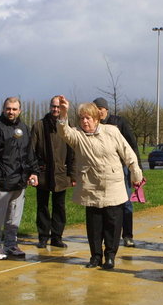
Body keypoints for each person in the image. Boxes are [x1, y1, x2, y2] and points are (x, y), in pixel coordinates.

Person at [56, 96, 143, 270]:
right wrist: (64, 113)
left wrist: (135, 172)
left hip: (113, 185)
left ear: (96, 119)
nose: (84, 121)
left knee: (112, 224)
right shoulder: (78, 136)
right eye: (81, 118)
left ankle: (110, 256)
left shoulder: (111, 131)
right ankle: (95, 256)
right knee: (94, 226)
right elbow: (64, 131)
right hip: (90, 187)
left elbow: (127, 152)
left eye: (88, 118)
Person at [0, 97, 39, 260]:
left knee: (14, 217)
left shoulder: (23, 128)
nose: (11, 112)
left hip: (19, 181)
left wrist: (33, 172)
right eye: (8, 109)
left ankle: (11, 244)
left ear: (20, 110)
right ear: (3, 109)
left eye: (14, 109)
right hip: (2, 181)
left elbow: (29, 153)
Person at [93, 97, 142, 248]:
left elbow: (132, 145)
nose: (99, 111)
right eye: (96, 109)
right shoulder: (92, 126)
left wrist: (137, 169)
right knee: (102, 205)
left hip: (122, 169)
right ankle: (105, 236)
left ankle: (127, 235)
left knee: (125, 203)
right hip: (100, 171)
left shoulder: (119, 122)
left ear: (106, 109)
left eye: (101, 108)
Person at [31, 96, 75, 249]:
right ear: (49, 107)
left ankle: (57, 237)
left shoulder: (68, 126)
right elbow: (32, 151)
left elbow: (72, 152)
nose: (55, 109)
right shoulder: (39, 126)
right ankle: (43, 237)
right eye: (53, 106)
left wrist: (72, 175)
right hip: (43, 174)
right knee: (42, 206)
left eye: (58, 107)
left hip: (61, 174)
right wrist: (34, 172)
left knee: (59, 207)